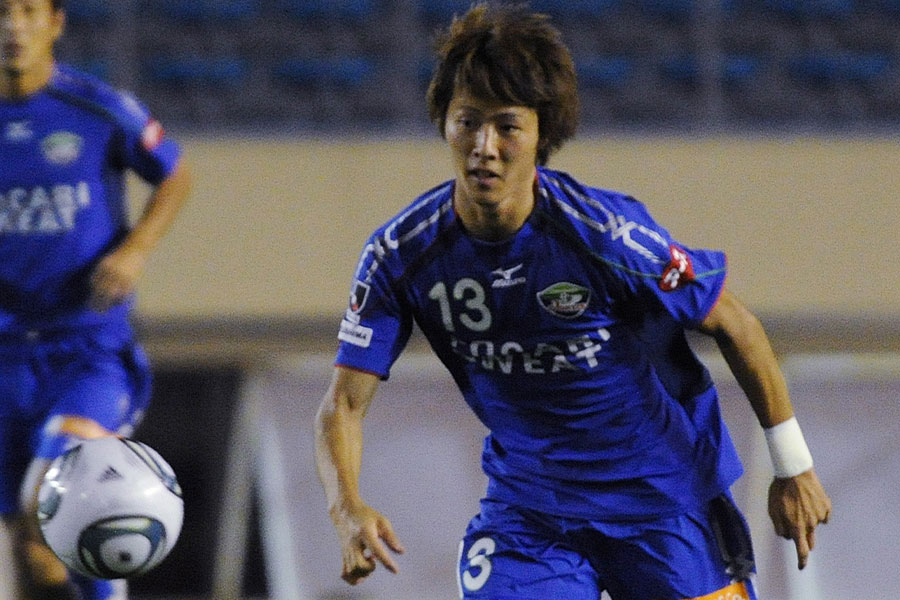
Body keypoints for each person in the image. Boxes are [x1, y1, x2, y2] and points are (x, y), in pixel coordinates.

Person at [314, 3, 831, 599]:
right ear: (444, 124)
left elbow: (735, 323)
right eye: (467, 122)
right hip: (531, 515)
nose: (484, 146)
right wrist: (345, 507)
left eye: (507, 127)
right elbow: (342, 404)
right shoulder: (399, 254)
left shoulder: (605, 234)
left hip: (663, 501)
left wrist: (793, 466)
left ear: (542, 135)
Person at [0, 0, 191, 598]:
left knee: (62, 490)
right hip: (5, 355)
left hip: (87, 347)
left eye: (27, 11)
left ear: (55, 22)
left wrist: (135, 251)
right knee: (34, 545)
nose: (12, 26)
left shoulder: (97, 108)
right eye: (1, 12)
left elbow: (175, 173)